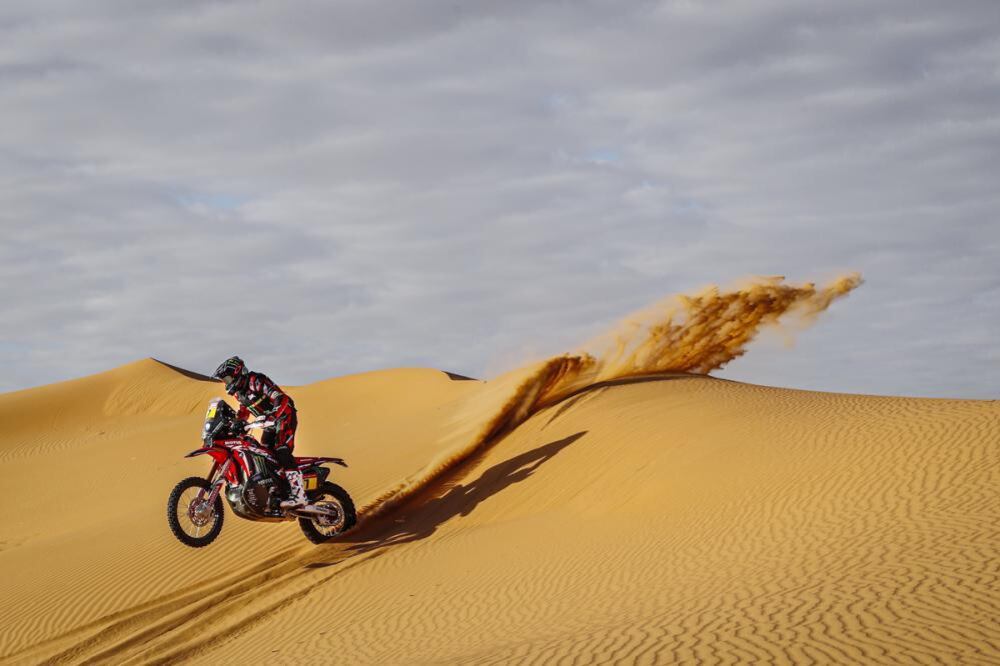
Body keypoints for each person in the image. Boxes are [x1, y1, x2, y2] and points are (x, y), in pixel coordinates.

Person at [212, 356, 307, 509]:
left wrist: (274, 413)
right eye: (224, 380)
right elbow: (244, 411)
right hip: (268, 424)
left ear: (238, 372)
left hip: (284, 416)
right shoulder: (239, 393)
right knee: (264, 454)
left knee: (282, 450)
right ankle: (277, 488)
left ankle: (299, 493)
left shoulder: (256, 380)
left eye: (228, 378)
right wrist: (237, 424)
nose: (227, 383)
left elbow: (279, 397)